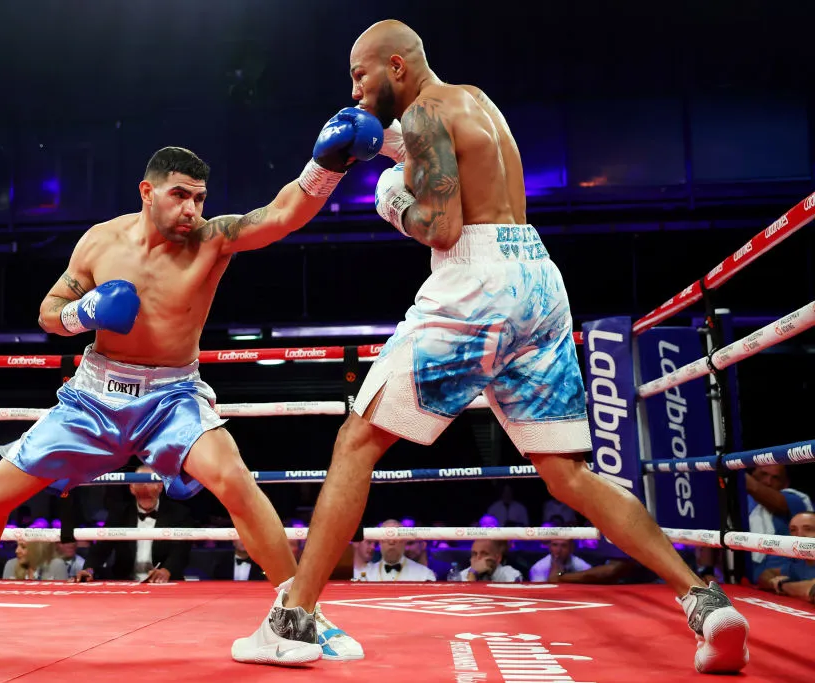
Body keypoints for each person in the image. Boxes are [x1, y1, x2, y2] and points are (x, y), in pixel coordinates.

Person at [234, 20, 750, 674]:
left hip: (475, 283)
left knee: (357, 439)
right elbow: (447, 162)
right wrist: (381, 151)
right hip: (537, 278)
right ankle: (704, 600)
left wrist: (390, 200)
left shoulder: (421, 113)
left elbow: (441, 224)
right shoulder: (470, 101)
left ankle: (294, 617)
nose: (354, 91)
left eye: (359, 76)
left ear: (396, 66)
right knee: (569, 474)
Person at [0, 108, 385, 666]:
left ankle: (298, 613)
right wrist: (83, 313)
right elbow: (48, 313)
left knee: (234, 480)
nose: (192, 209)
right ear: (148, 191)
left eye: (199, 197)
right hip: (95, 393)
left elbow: (284, 214)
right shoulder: (100, 242)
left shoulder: (213, 241)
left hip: (173, 396)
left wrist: (326, 167)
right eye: (180, 195)